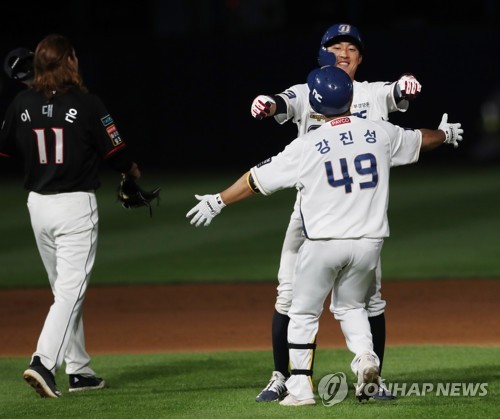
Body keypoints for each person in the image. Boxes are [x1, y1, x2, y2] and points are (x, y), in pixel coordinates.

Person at [187, 65, 463, 405]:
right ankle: (366, 361)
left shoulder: (307, 145)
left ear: (315, 105)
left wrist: (219, 200)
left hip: (323, 244)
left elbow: (256, 180)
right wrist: (446, 134)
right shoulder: (380, 132)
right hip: (368, 245)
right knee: (351, 307)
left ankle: (300, 387)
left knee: (302, 312)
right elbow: (421, 139)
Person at [249, 22, 422, 402]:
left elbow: (394, 92)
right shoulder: (308, 91)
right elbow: (284, 101)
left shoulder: (371, 94)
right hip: (311, 213)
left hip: (360, 215)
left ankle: (374, 379)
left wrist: (404, 84)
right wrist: (269, 103)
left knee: (370, 299)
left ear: (361, 58)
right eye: (335, 48)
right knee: (288, 295)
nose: (343, 54)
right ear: (321, 54)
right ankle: (281, 376)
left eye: (351, 49)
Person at [0, 33, 142, 398]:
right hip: (74, 207)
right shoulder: (88, 103)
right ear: (67, 62)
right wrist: (132, 175)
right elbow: (118, 154)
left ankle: (79, 370)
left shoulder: (21, 103)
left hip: (38, 207)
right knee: (69, 292)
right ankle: (43, 362)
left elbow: (4, 152)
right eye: (73, 56)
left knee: (63, 290)